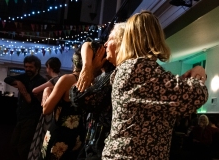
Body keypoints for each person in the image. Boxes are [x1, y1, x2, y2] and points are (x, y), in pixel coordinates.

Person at [76, 11, 208, 159]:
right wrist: (199, 72)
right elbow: (195, 96)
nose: (105, 43)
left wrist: (183, 80)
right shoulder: (138, 68)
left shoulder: (133, 69)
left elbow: (164, 94)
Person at [70, 22, 125, 160]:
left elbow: (78, 98)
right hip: (92, 141)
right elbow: (88, 44)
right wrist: (87, 67)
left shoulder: (113, 74)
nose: (104, 45)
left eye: (110, 39)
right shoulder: (105, 71)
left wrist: (91, 70)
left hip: (101, 147)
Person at [40, 49, 86, 160]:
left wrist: (46, 90)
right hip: (78, 136)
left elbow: (46, 109)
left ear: (73, 63)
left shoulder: (67, 79)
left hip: (60, 135)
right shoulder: (93, 81)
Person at [4, 55, 47, 160]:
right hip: (21, 117)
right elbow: (7, 78)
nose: (27, 69)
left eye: (30, 67)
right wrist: (18, 83)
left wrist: (23, 91)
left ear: (37, 68)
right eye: (26, 67)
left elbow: (29, 100)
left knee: (23, 147)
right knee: (13, 144)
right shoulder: (23, 77)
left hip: (32, 118)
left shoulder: (41, 81)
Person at [28, 57, 61, 160]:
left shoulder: (55, 79)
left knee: (43, 137)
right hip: (57, 112)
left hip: (49, 112)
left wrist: (46, 89)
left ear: (48, 67)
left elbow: (34, 90)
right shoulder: (62, 79)